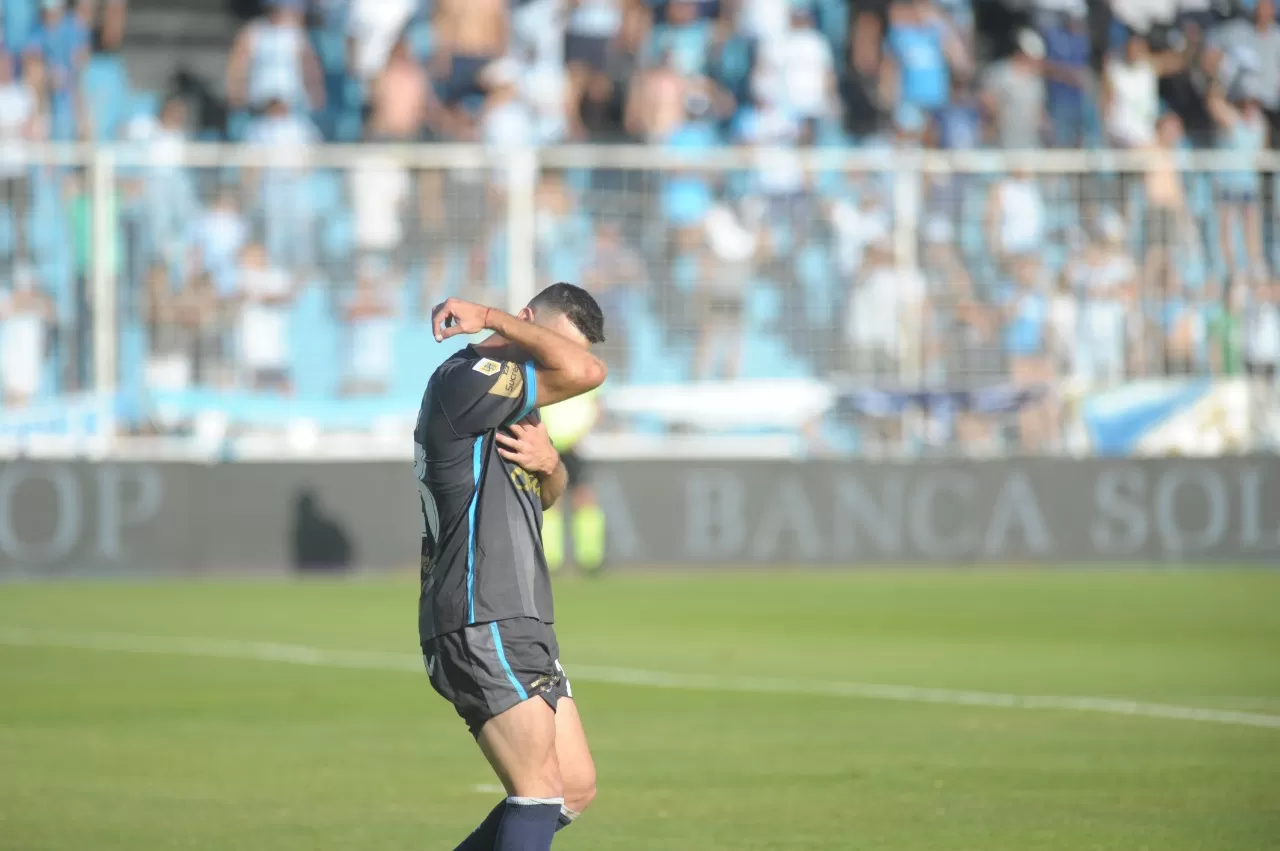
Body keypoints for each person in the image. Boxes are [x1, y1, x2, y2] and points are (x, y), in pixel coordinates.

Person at [416, 283, 607, 851]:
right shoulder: (469, 378)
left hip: (517, 613)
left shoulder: (513, 400)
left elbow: (543, 496)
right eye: (546, 338)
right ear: (526, 323)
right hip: (481, 611)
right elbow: (588, 370)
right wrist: (489, 317)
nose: (552, 356)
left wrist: (551, 467)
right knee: (539, 790)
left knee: (572, 787)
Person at [539, 386, 606, 574]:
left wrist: (586, 433)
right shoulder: (544, 368)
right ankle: (549, 559)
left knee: (584, 498)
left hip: (577, 445)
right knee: (551, 500)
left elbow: (598, 407)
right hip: (548, 444)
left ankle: (590, 558)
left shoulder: (584, 370)